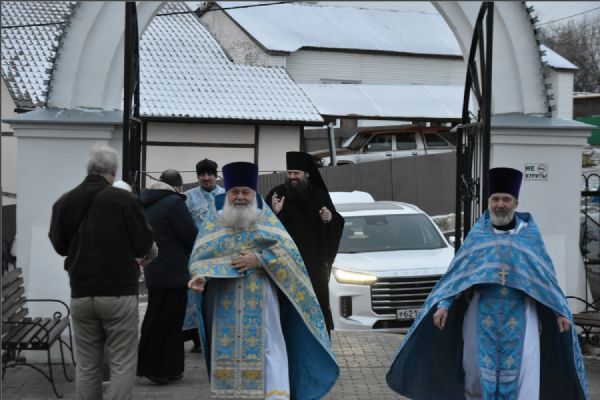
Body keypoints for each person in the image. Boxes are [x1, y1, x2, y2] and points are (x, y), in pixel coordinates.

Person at [386, 167, 589, 400]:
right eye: (495, 199)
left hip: (522, 313)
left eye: (506, 199)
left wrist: (559, 311)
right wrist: (444, 305)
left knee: (523, 369)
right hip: (481, 313)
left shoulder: (529, 237)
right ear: (489, 202)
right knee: (476, 372)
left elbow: (545, 279)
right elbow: (458, 276)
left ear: (515, 203)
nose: (500, 204)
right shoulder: (478, 235)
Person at [187, 161, 339, 399]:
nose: (239, 197)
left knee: (268, 346)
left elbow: (289, 257)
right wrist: (199, 277)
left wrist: (259, 260)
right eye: (234, 192)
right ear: (227, 194)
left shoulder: (266, 218)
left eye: (245, 192)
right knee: (227, 349)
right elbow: (201, 256)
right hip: (224, 299)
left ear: (253, 193)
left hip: (261, 297)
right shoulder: (214, 220)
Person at [49, 144, 154, 399]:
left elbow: (60, 246)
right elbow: (144, 243)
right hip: (119, 292)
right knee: (122, 361)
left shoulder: (64, 201)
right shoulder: (124, 199)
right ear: (113, 171)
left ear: (88, 169)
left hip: (81, 292)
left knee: (87, 364)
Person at [265, 151, 344, 332]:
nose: (292, 177)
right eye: (289, 173)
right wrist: (274, 213)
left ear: (307, 174)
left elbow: (336, 223)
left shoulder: (320, 195)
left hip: (313, 267)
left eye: (296, 173)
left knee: (316, 308)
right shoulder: (278, 194)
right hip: (285, 265)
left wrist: (329, 219)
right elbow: (263, 225)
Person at [137, 169, 198, 384]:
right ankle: (159, 368)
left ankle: (167, 367)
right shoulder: (174, 203)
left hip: (154, 269)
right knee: (170, 322)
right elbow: (189, 235)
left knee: (156, 317)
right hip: (173, 272)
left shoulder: (145, 202)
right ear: (178, 186)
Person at [183, 158, 225, 352]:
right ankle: (197, 338)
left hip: (221, 256)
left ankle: (220, 335)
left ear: (216, 176)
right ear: (198, 176)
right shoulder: (188, 197)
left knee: (218, 297)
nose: (206, 178)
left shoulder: (226, 195)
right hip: (197, 256)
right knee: (195, 297)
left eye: (209, 174)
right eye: (202, 174)